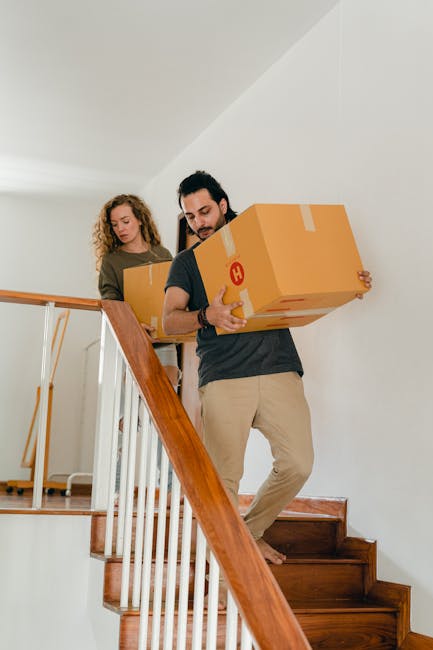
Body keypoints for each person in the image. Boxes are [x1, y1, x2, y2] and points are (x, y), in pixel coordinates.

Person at [163, 171, 372, 565]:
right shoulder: (187, 263)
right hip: (224, 376)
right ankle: (226, 580)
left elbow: (309, 268)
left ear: (223, 205)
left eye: (205, 211)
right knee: (223, 482)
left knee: (298, 463)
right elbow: (170, 319)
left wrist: (348, 278)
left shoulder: (259, 238)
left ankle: (248, 532)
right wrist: (208, 314)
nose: (199, 222)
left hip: (279, 367)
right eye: (190, 217)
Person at [92, 193, 180, 494]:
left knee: (165, 414)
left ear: (140, 219)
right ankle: (113, 489)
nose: (120, 228)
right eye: (114, 224)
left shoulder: (163, 254)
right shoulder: (112, 261)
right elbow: (109, 301)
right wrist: (134, 327)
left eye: (126, 221)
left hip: (164, 343)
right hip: (129, 343)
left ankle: (169, 488)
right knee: (125, 418)